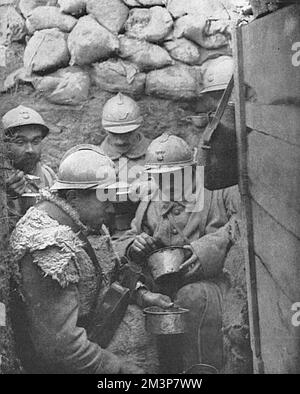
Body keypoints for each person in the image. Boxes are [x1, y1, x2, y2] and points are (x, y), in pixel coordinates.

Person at [10, 145, 168, 374]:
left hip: (92, 333)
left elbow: (107, 276)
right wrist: (120, 370)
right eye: (105, 199)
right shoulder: (49, 247)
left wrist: (142, 295)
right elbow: (60, 348)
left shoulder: (83, 222)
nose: (113, 209)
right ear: (73, 197)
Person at [115, 133, 240, 373]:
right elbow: (127, 237)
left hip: (213, 283)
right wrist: (134, 245)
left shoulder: (218, 189)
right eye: (158, 177)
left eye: (174, 176)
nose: (166, 185)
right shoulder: (151, 201)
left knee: (193, 297)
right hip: (165, 287)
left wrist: (204, 250)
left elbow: (241, 223)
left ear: (191, 170)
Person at [100, 93, 151, 236]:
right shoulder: (95, 158)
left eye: (127, 133)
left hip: (147, 231)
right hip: (107, 232)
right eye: (114, 134)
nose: (120, 141)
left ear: (139, 126)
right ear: (104, 129)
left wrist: (155, 186)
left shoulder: (157, 154)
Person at [2, 105, 56, 228]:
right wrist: (5, 197)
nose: (30, 150)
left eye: (36, 141)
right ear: (4, 145)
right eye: (20, 142)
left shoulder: (48, 176)